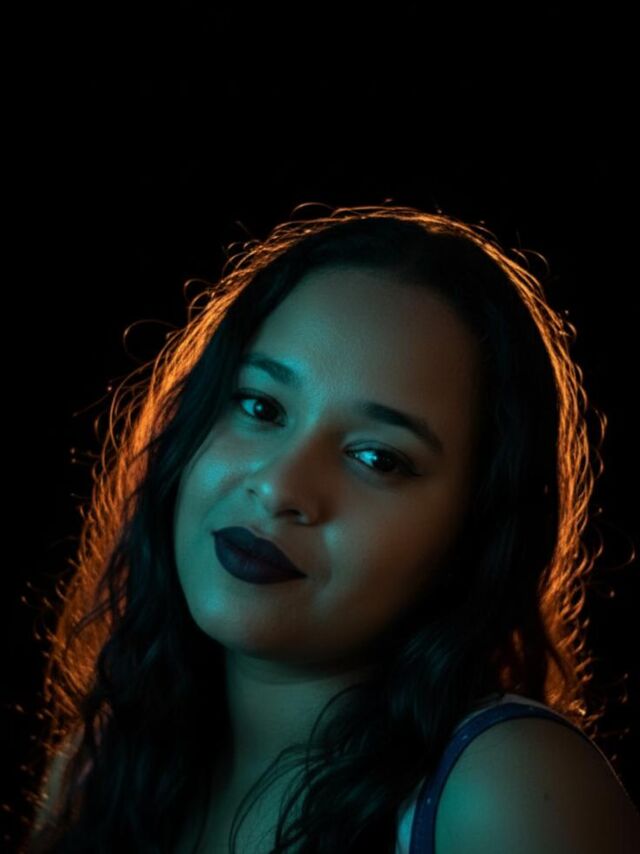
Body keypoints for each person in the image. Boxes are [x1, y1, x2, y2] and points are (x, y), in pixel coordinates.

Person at [23, 205, 640, 853]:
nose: (281, 487)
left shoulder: (508, 791)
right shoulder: (95, 773)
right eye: (261, 406)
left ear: (477, 530)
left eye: (377, 458)